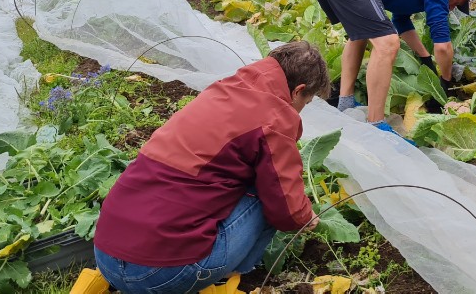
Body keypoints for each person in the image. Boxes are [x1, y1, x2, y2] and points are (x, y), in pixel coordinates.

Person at [92, 41, 330, 294]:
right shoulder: (275, 117)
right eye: (308, 100)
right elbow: (287, 212)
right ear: (298, 91)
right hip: (160, 276)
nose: (304, 107)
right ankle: (229, 275)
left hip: (106, 256)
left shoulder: (223, 89)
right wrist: (306, 216)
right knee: (271, 192)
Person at [304, 0, 476, 133]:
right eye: (457, 2)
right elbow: (443, 47)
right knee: (387, 43)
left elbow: (401, 21)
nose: (453, 9)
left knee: (360, 34)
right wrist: (444, 84)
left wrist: (424, 58)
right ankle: (376, 126)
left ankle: (345, 104)